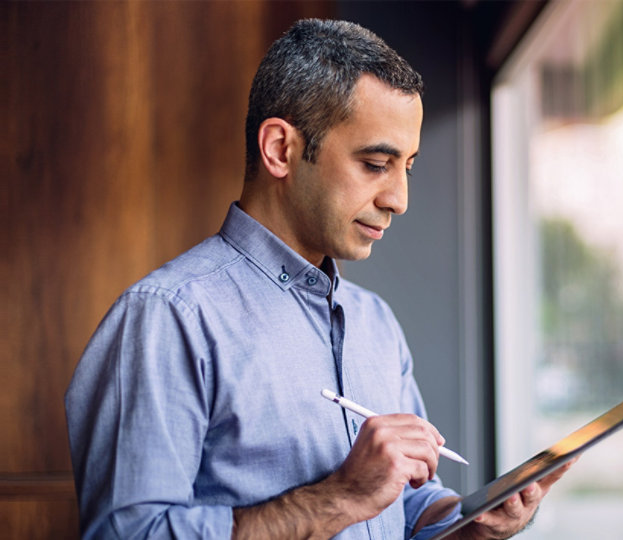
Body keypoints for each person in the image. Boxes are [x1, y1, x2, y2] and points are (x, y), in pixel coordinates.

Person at [65, 19, 569, 539]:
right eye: (376, 163)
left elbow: (409, 505)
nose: (399, 199)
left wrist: (470, 522)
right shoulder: (167, 317)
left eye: (407, 168)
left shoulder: (376, 322)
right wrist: (339, 498)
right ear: (281, 149)